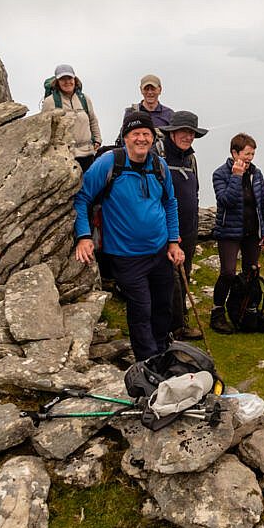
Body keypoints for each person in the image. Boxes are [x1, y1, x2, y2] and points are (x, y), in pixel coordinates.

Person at [73, 112, 184, 361]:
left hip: (159, 252)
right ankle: (148, 362)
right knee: (141, 309)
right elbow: (82, 198)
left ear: (153, 137)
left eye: (146, 134)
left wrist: (173, 242)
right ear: (125, 138)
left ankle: (162, 352)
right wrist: (83, 236)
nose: (141, 139)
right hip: (126, 255)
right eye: (136, 134)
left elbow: (170, 203)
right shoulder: (110, 163)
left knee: (163, 307)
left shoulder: (159, 166)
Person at [210, 133, 264, 334]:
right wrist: (236, 176)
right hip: (228, 231)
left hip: (252, 232)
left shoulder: (257, 174)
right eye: (247, 154)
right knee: (228, 273)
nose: (250, 158)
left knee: (251, 273)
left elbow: (263, 203)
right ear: (234, 152)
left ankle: (246, 312)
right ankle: (217, 313)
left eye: (252, 154)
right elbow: (226, 200)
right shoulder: (220, 174)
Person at [158, 111, 208, 340]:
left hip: (189, 228)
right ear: (172, 132)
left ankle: (177, 322)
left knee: (184, 273)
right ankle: (176, 327)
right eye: (183, 132)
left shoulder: (191, 159)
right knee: (173, 279)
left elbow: (194, 192)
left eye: (191, 133)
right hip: (169, 229)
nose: (187, 136)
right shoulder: (159, 156)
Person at [41, 64, 101, 172]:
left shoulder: (84, 99)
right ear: (57, 82)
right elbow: (44, 128)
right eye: (62, 79)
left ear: (75, 79)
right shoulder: (50, 102)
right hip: (65, 155)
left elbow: (92, 120)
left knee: (89, 186)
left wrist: (97, 139)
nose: (67, 82)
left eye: (69, 78)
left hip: (87, 152)